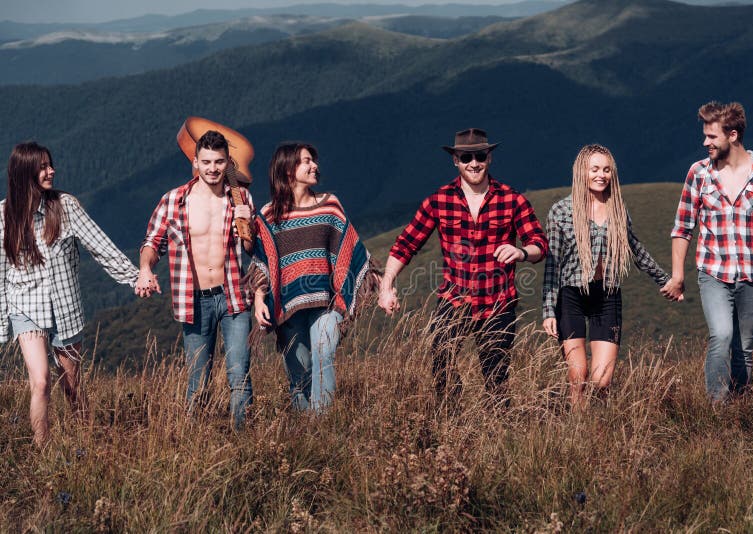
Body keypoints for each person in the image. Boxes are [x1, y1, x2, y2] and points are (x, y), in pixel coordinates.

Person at [378, 128, 548, 407]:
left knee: (496, 377)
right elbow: (405, 244)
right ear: (455, 160)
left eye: (479, 155)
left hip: (498, 302)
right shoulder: (439, 200)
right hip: (454, 299)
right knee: (441, 362)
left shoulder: (511, 199)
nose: (473, 163)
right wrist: (386, 287)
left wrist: (520, 252)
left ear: (489, 158)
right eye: (466, 157)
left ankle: (498, 434)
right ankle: (451, 420)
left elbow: (539, 244)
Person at [0, 142, 139, 447]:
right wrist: (2, 325)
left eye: (51, 164)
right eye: (43, 167)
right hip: (26, 308)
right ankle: (42, 447)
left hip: (65, 309)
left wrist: (134, 277)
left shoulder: (66, 207)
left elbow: (101, 247)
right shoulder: (3, 215)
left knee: (72, 386)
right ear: (25, 173)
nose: (52, 171)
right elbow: (1, 270)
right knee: (40, 382)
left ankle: (85, 439)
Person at [662, 102, 753, 403]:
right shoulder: (698, 173)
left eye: (712, 137)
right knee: (721, 335)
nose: (705, 142)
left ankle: (740, 410)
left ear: (732, 135)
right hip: (713, 272)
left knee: (743, 348)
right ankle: (717, 410)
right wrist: (678, 274)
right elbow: (683, 227)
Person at [136, 130, 255, 429]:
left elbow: (253, 250)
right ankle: (194, 440)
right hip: (194, 300)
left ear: (228, 162)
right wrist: (145, 269)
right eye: (206, 162)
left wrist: (248, 224)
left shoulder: (240, 197)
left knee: (239, 374)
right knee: (198, 379)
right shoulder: (174, 200)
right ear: (195, 161)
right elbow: (152, 242)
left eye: (218, 162)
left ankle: (245, 440)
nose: (212, 168)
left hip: (234, 297)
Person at [542, 144, 672, 408]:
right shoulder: (561, 211)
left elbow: (636, 249)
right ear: (582, 172)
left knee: (602, 382)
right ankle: (578, 434)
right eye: (595, 169)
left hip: (607, 295)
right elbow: (552, 264)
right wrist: (548, 310)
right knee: (578, 376)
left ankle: (598, 431)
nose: (601, 175)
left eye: (606, 169)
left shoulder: (618, 210)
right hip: (572, 296)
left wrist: (665, 280)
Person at [248, 142, 373, 412]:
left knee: (323, 353)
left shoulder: (330, 205)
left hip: (328, 301)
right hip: (288, 305)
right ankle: (305, 436)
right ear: (288, 169)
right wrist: (259, 299)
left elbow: (349, 248)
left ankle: (321, 428)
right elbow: (262, 262)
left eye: (313, 160)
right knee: (299, 373)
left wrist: (358, 287)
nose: (314, 165)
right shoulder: (269, 215)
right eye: (306, 161)